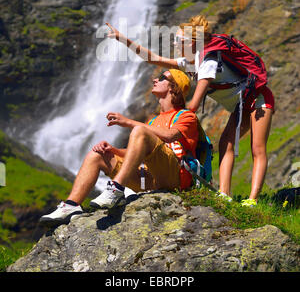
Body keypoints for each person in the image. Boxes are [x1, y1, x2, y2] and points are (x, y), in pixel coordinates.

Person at [105, 15, 275, 207]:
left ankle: (252, 200)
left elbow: (193, 105)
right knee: (225, 145)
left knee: (257, 148)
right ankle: (224, 195)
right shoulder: (192, 62)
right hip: (240, 106)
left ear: (192, 43)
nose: (175, 43)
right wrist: (122, 39)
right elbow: (153, 59)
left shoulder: (208, 62)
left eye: (178, 40)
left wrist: (178, 124)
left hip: (259, 100)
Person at [39, 69, 199, 225]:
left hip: (175, 177)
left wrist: (129, 122)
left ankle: (115, 189)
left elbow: (170, 135)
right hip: (149, 180)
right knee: (97, 156)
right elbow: (134, 154)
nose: (155, 80)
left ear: (173, 87)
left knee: (140, 130)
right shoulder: (152, 122)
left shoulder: (186, 116)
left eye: (162, 77)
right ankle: (71, 206)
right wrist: (113, 151)